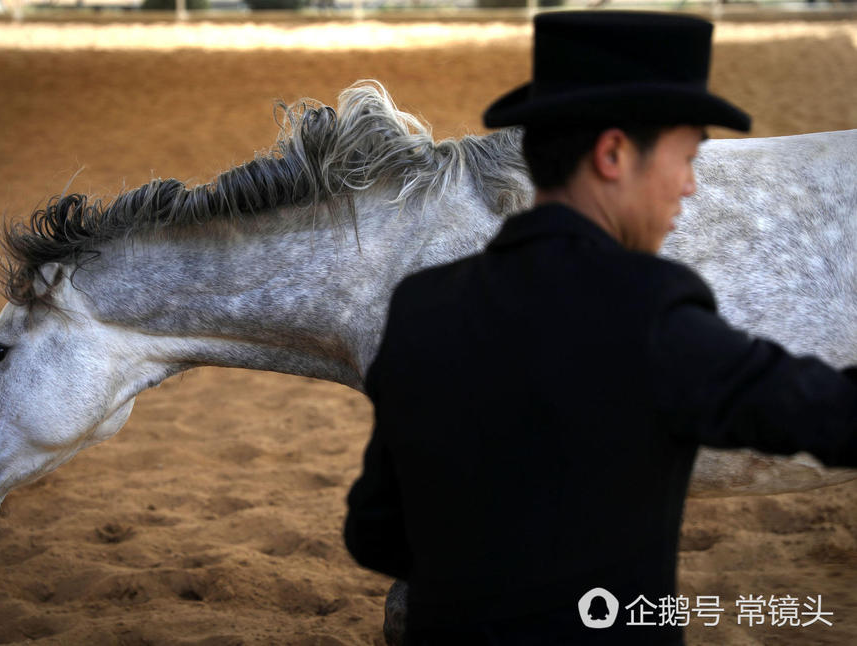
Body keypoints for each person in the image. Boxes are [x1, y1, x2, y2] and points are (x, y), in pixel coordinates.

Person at [343, 11, 857, 646]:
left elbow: (374, 531)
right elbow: (832, 418)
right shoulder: (653, 309)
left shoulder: (421, 307)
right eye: (687, 158)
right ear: (613, 153)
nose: (691, 186)